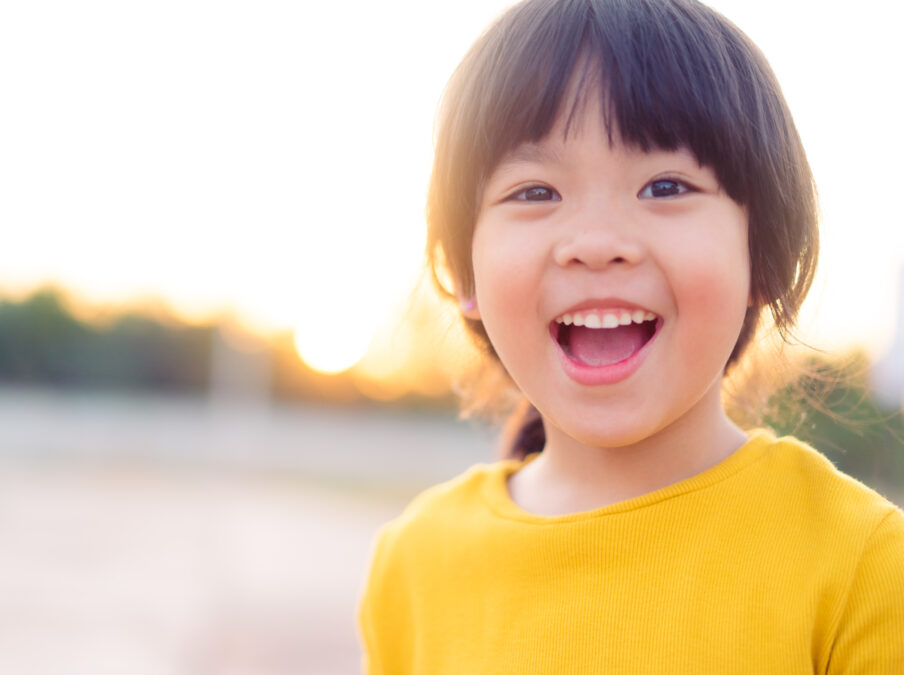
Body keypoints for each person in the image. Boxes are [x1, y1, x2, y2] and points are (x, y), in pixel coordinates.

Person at [357, 0, 904, 672]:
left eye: (665, 185)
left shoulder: (864, 566)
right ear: (461, 269)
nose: (595, 244)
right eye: (534, 192)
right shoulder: (413, 564)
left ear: (765, 255)